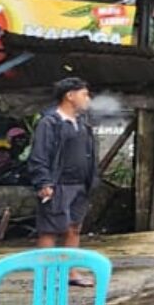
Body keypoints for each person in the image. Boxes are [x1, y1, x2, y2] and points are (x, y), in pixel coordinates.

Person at [27, 77, 98, 287]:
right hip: (58, 185)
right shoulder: (50, 123)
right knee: (50, 230)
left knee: (74, 228)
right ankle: (46, 276)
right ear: (70, 95)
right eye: (84, 94)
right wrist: (43, 182)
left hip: (79, 185)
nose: (88, 99)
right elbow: (39, 155)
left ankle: (71, 273)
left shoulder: (82, 125)